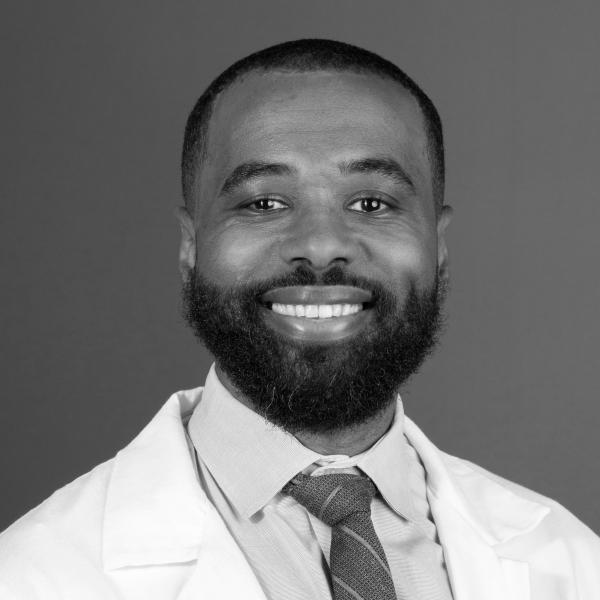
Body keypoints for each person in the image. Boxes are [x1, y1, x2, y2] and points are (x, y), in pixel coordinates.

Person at [0, 38, 598, 600]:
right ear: (191, 244)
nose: (319, 245)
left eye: (371, 202)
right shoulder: (35, 574)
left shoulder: (570, 562)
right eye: (265, 203)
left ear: (437, 244)